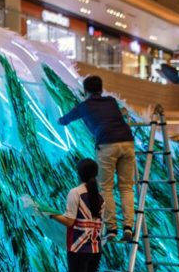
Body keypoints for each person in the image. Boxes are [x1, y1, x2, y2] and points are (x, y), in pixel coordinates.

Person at [58, 75, 135, 242]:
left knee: (106, 188)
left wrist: (60, 118)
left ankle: (112, 229)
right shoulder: (111, 101)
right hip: (128, 143)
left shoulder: (85, 106)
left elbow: (64, 120)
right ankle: (128, 227)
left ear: (85, 91)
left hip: (107, 145)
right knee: (126, 187)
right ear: (101, 89)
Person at [48, 159, 105, 272]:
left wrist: (52, 214)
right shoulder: (99, 195)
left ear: (79, 173)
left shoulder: (75, 193)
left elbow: (70, 221)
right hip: (95, 248)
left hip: (78, 248)